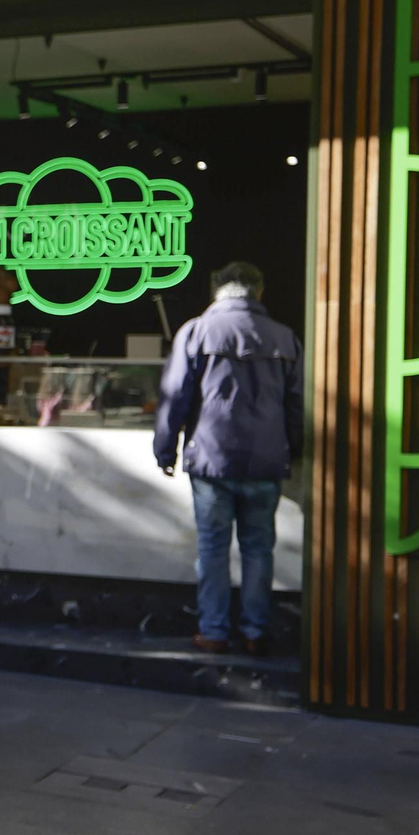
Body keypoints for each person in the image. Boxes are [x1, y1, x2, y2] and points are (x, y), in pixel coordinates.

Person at [154, 261, 303, 656]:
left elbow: (174, 399)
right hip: (266, 464)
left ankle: (214, 631)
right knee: (258, 549)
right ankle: (256, 631)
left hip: (212, 461)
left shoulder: (196, 331)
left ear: (215, 289)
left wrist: (164, 450)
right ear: (260, 291)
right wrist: (295, 449)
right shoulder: (285, 337)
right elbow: (297, 404)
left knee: (213, 549)